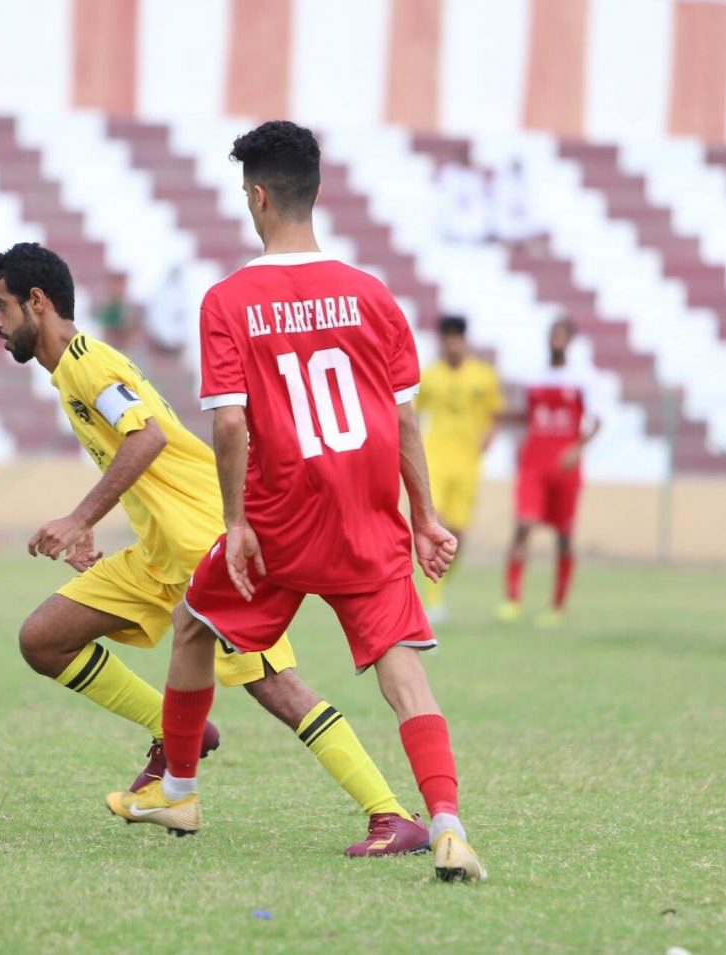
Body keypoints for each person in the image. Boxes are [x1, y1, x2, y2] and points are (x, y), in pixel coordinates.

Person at [106, 121, 487, 883]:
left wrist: (236, 521)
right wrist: (423, 517)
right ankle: (449, 825)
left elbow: (229, 423)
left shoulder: (229, 299)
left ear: (257, 196)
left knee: (193, 625)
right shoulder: (373, 294)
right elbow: (404, 418)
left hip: (281, 519)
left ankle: (177, 792)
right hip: (369, 518)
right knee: (404, 672)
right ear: (314, 191)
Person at [0, 241, 430, 858]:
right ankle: (178, 738)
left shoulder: (89, 364)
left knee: (276, 687)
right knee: (44, 640)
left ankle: (391, 815)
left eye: (2, 305)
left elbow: (147, 439)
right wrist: (94, 526)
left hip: (204, 541)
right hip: (158, 551)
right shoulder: (71, 373)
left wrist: (80, 518)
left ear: (37, 302)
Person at [495, 317, 600, 627]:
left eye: (561, 335)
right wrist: (500, 417)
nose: (556, 340)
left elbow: (597, 421)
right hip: (534, 462)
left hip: (565, 465)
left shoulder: (582, 378)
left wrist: (577, 449)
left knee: (564, 536)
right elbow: (529, 416)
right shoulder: (533, 375)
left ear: (571, 341)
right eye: (553, 334)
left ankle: (557, 606)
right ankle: (512, 599)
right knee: (523, 525)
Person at [414, 315, 502, 622]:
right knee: (434, 524)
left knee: (458, 535)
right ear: (441, 341)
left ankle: (439, 587)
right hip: (434, 461)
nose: (452, 343)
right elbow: (412, 413)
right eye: (447, 337)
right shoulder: (429, 376)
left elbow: (494, 414)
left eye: (457, 337)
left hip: (467, 464)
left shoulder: (483, 377)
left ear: (465, 340)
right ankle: (433, 600)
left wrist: (488, 436)